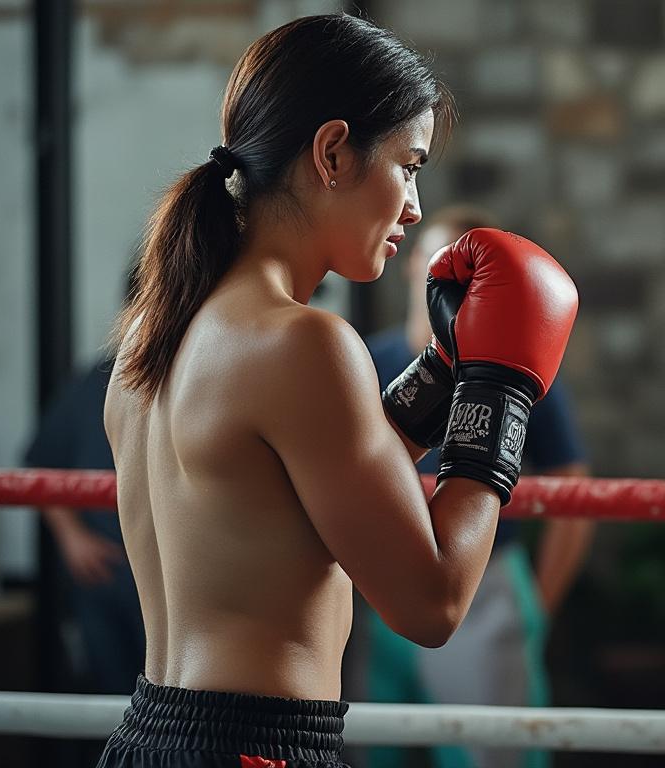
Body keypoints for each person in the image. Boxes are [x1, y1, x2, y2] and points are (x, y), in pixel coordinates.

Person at [97, 14, 578, 768]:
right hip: (259, 749)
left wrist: (446, 369)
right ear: (332, 152)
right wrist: (499, 391)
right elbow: (434, 603)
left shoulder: (150, 340)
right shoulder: (305, 343)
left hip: (150, 736)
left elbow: (304, 487)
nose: (414, 207)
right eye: (409, 164)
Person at [362, 205, 592, 768]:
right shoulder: (359, 355)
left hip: (482, 583)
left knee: (491, 756)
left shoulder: (528, 365)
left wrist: (537, 603)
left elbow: (574, 488)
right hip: (370, 583)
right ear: (417, 267)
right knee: (372, 749)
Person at [26, 356, 145, 696]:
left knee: (179, 705)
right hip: (108, 574)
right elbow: (42, 462)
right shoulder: (103, 376)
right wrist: (72, 537)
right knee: (111, 695)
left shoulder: (207, 370)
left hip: (183, 578)